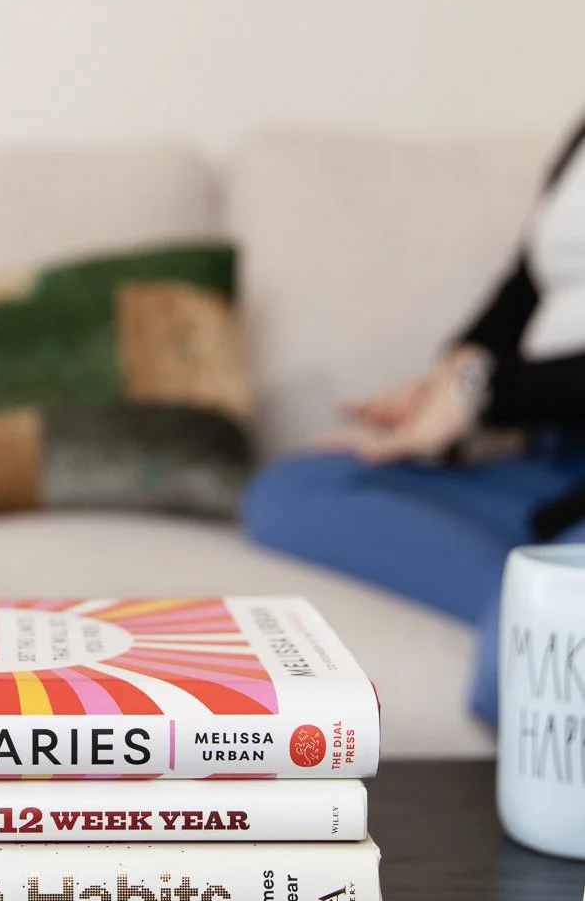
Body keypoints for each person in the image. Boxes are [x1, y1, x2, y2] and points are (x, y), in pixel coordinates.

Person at [242, 117, 585, 726]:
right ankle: (531, 603)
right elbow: (525, 290)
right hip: (544, 461)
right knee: (302, 486)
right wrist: (444, 389)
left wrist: (482, 393)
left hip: (533, 430)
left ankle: (536, 615)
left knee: (526, 673)